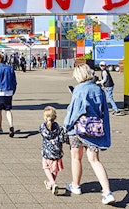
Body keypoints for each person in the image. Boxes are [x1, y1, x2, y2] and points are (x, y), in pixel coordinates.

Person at [63, 64, 115, 205]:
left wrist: (65, 126)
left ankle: (76, 185)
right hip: (95, 128)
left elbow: (74, 111)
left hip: (78, 129)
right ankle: (107, 192)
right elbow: (104, 111)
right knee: (94, 160)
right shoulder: (98, 89)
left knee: (76, 158)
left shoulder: (79, 90)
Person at [40, 106, 68, 196]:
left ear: (45, 117)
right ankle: (51, 183)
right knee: (55, 169)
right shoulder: (59, 128)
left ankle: (52, 182)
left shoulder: (42, 128)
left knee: (46, 167)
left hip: (47, 152)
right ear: (55, 117)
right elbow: (63, 139)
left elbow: (42, 132)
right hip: (57, 152)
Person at [0, 54, 18, 137]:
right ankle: (11, 126)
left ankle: (0, 128)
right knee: (8, 110)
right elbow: (14, 81)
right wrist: (13, 91)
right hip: (9, 91)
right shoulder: (10, 68)